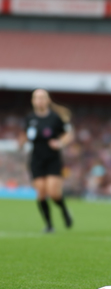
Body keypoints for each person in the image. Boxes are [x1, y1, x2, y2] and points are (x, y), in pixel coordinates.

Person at [18, 89, 75, 233]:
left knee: (54, 193)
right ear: (33, 101)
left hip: (52, 160)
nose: (40, 100)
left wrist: (60, 143)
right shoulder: (29, 118)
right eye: (36, 97)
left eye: (42, 97)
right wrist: (20, 142)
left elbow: (68, 134)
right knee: (41, 193)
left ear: (48, 100)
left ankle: (64, 210)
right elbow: (24, 135)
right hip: (36, 160)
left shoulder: (55, 118)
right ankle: (49, 225)